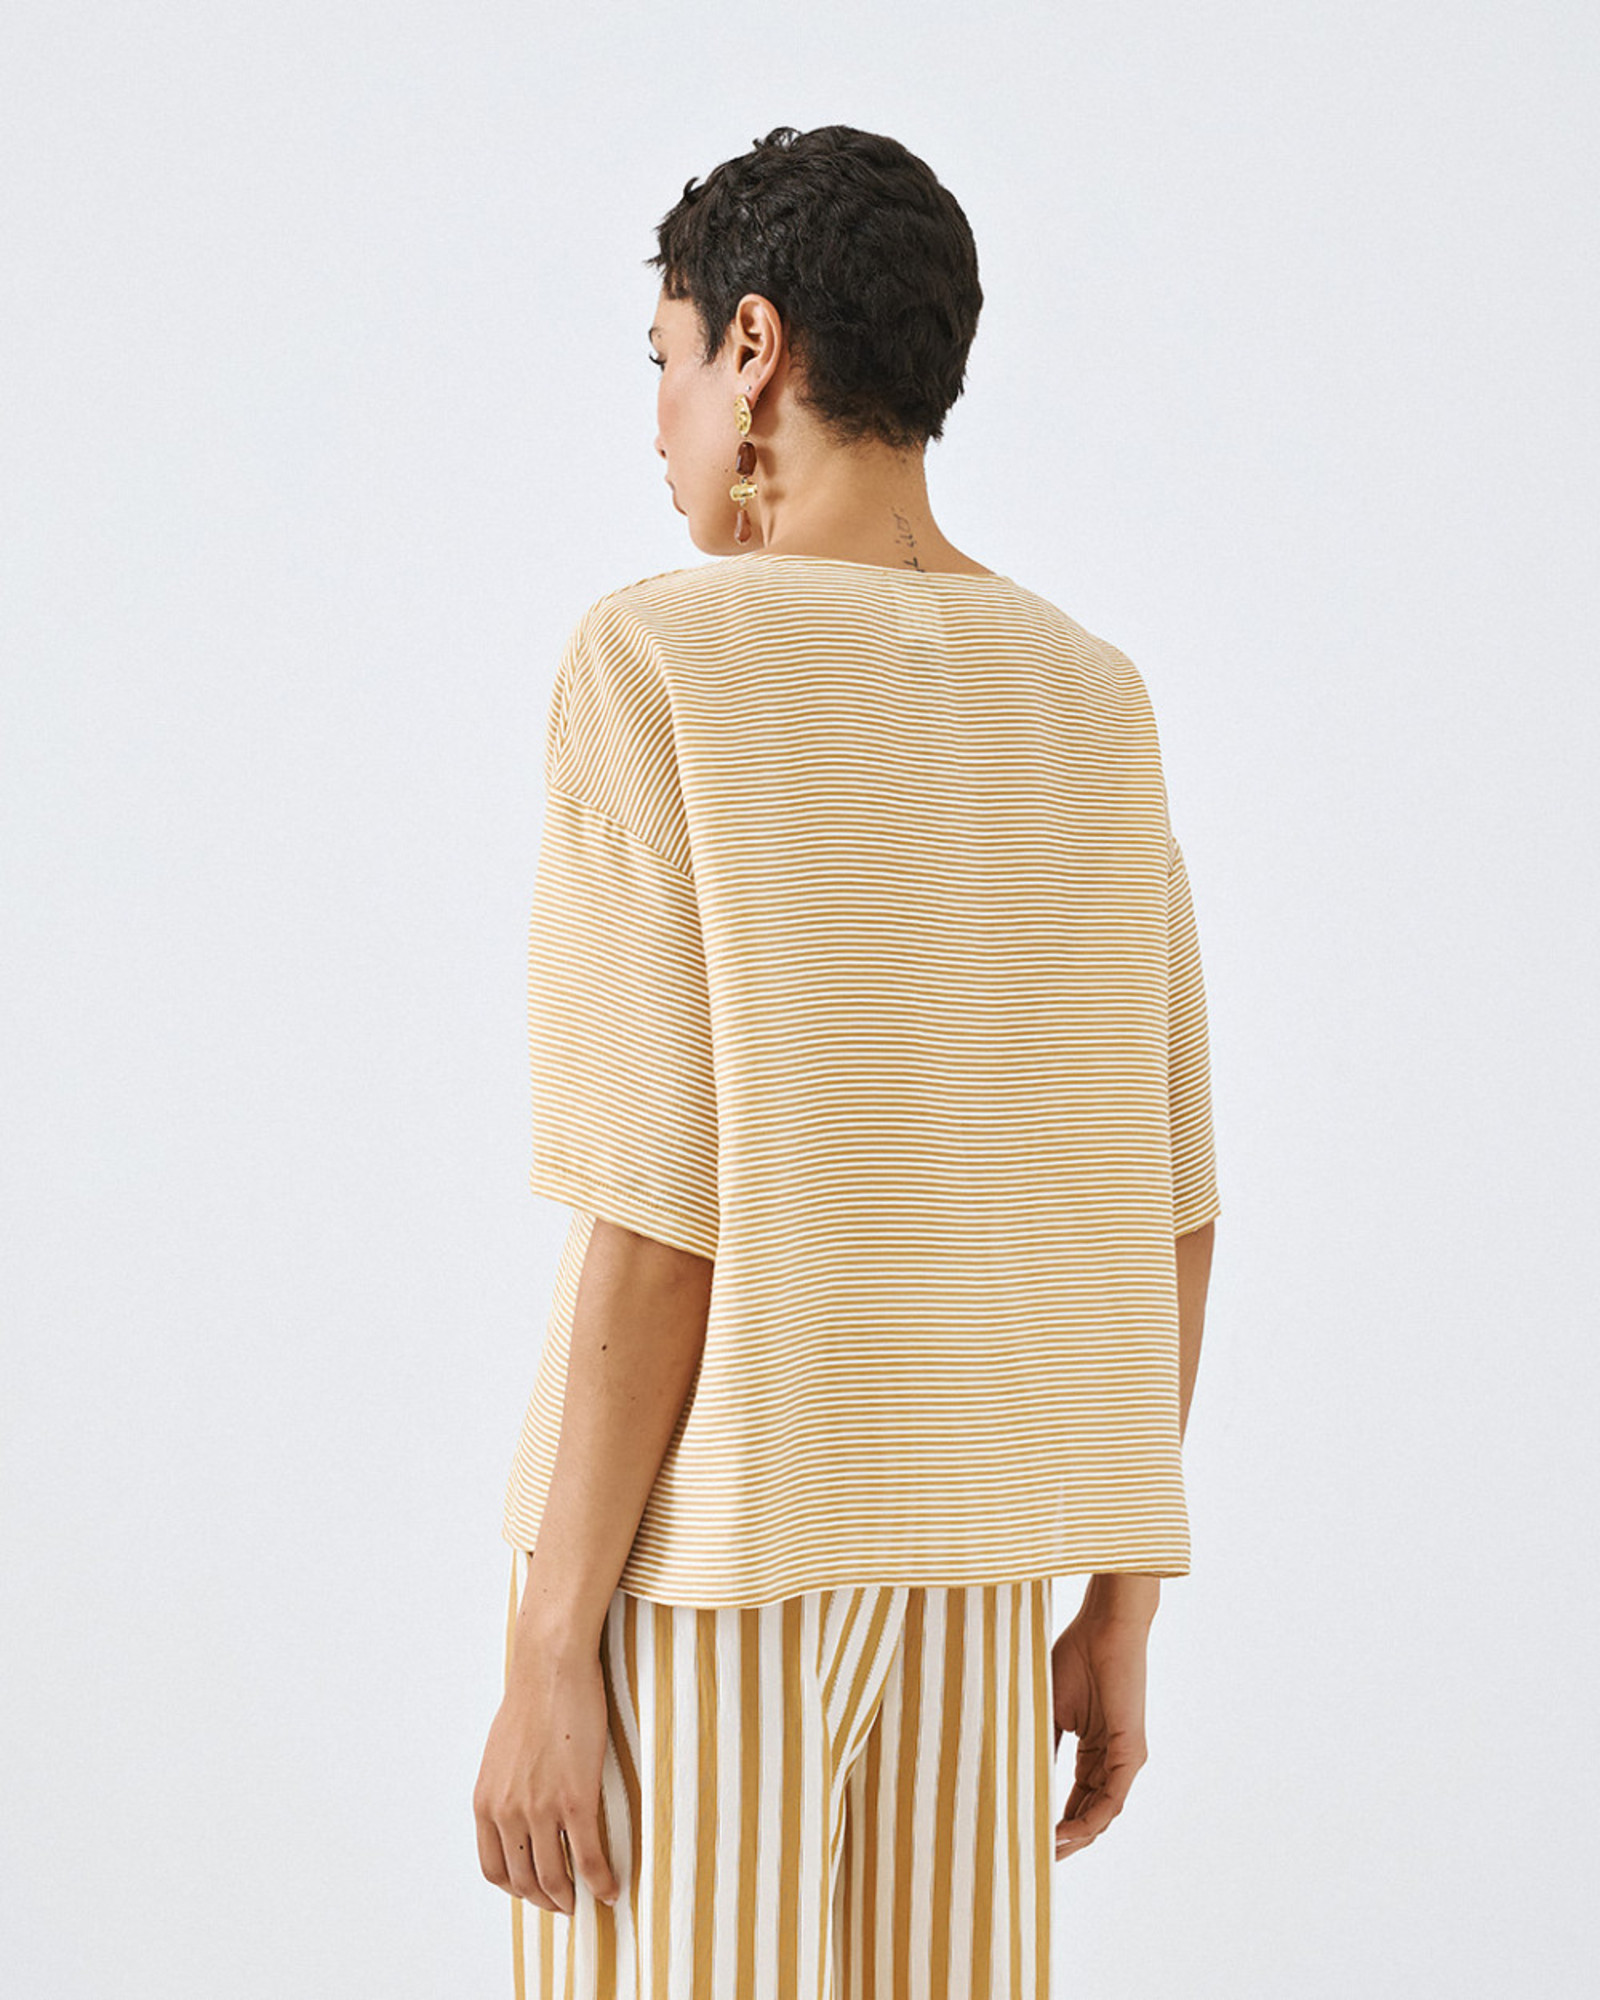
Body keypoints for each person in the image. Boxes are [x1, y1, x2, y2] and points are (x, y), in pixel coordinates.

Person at [473, 123, 1219, 1999]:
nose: (655, 421)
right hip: (982, 1572)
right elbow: (1169, 1208)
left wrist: (551, 1649)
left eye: (663, 359)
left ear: (755, 346)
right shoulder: (1091, 695)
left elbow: (657, 1220)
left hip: (711, 1559)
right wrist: (1118, 1606)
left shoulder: (657, 661)